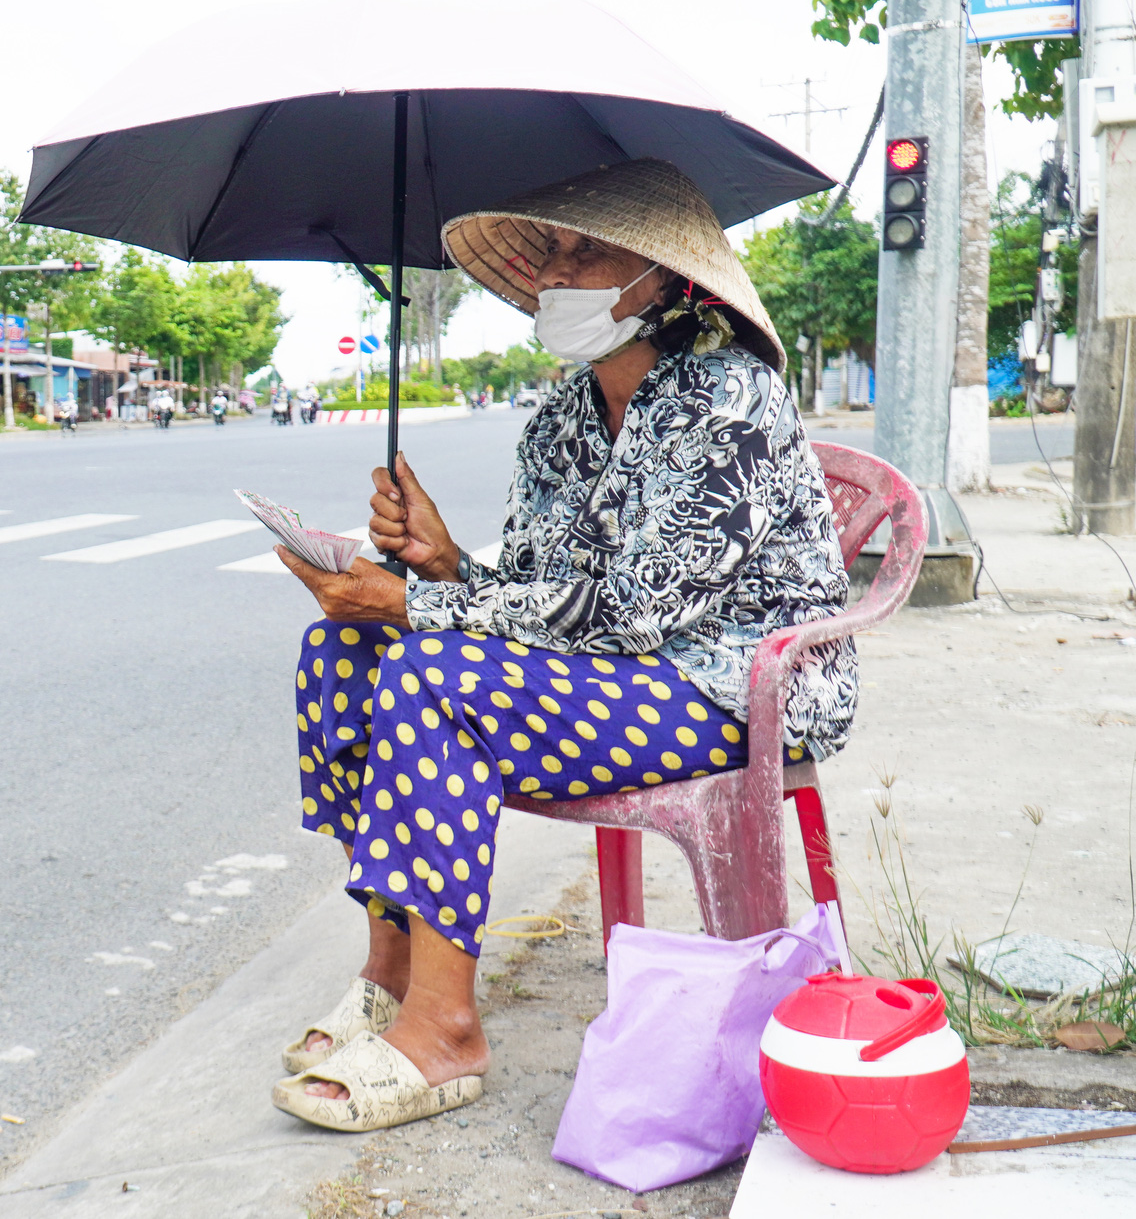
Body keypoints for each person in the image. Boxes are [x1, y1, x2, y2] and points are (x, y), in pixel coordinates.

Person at [268, 159, 856, 1133]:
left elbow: (634, 611)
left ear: (660, 282)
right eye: (550, 253)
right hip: (612, 675)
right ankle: (392, 968)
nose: (553, 275)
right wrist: (445, 562)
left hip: (726, 682)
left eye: (585, 253)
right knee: (341, 652)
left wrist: (418, 608)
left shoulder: (727, 397)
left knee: (425, 665)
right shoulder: (557, 424)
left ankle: (444, 1029)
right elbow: (536, 600)